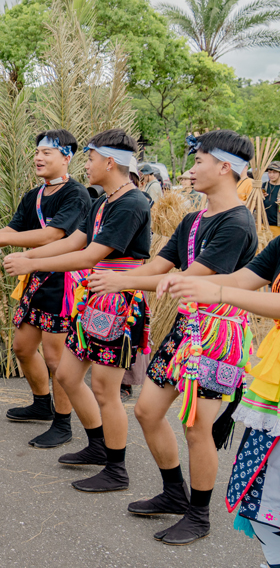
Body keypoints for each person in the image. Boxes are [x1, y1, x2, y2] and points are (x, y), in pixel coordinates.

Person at [88, 129, 257, 545]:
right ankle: (174, 493)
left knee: (197, 427)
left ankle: (199, 515)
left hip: (220, 333)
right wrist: (118, 277)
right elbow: (158, 267)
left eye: (199, 161)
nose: (191, 169)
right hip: (187, 329)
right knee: (147, 410)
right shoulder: (193, 219)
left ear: (225, 168)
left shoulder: (237, 222)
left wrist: (118, 282)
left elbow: (187, 280)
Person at [5, 129, 151, 494]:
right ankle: (98, 444)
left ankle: (116, 468)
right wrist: (30, 256)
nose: (85, 165)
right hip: (96, 298)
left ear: (109, 161)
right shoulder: (103, 201)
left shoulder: (132, 203)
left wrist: (31, 262)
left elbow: (89, 256)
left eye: (89, 159)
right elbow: (74, 240)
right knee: (69, 375)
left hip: (120, 301)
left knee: (106, 389)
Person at [0, 131, 90, 448]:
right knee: (22, 347)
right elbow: (14, 228)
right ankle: (41, 403)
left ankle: (63, 424)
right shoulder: (33, 196)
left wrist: (0, 239)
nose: (39, 157)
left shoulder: (76, 194)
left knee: (55, 357)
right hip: (35, 280)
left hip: (64, 281)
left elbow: (53, 236)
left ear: (66, 157)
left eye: (47, 152)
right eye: (37, 151)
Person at [162, 234, 280, 564]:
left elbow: (228, 287)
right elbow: (241, 278)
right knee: (265, 500)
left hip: (223, 343)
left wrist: (217, 292)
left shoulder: (237, 224)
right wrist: (186, 282)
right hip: (274, 376)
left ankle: (198, 513)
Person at [265, 161, 280, 237]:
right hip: (263, 224)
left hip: (278, 225)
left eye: (274, 172)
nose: (271, 175)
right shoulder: (263, 186)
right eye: (269, 172)